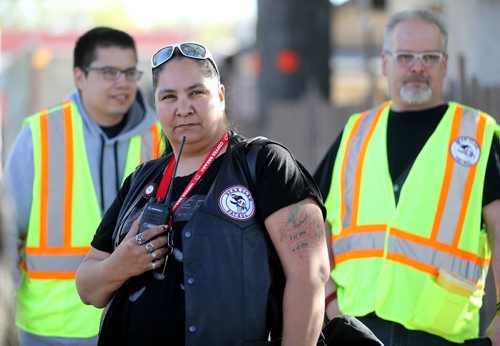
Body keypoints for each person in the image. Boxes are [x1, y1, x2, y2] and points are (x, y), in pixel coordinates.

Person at [75, 42, 330, 345]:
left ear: (220, 95)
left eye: (196, 93)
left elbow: (310, 274)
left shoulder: (263, 164)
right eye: (169, 96)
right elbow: (88, 288)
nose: (183, 108)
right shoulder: (141, 180)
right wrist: (120, 264)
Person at [313, 9, 500, 346]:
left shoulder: (479, 135)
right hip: (353, 330)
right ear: (385, 63)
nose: (417, 67)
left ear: (444, 64)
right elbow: (315, 222)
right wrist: (329, 301)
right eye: (405, 56)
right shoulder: (356, 132)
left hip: (442, 335)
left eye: (429, 57)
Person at [3, 27, 162, 345]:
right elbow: (6, 238)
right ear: (79, 77)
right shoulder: (40, 135)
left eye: (130, 72)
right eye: (109, 72)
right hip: (49, 332)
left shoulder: (158, 139)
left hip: (133, 325)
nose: (123, 82)